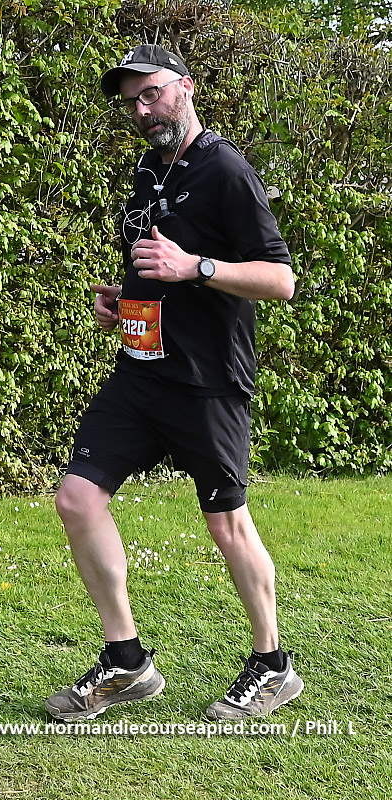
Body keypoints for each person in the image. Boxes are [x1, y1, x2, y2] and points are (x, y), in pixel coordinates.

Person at [45, 44, 303, 722]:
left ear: (185, 87)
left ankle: (273, 666)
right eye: (131, 101)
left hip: (207, 382)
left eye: (151, 93)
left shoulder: (227, 170)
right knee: (77, 499)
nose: (141, 109)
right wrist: (121, 301)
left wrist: (198, 268)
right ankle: (127, 660)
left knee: (227, 523)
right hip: (141, 373)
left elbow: (281, 279)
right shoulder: (148, 171)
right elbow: (150, 264)